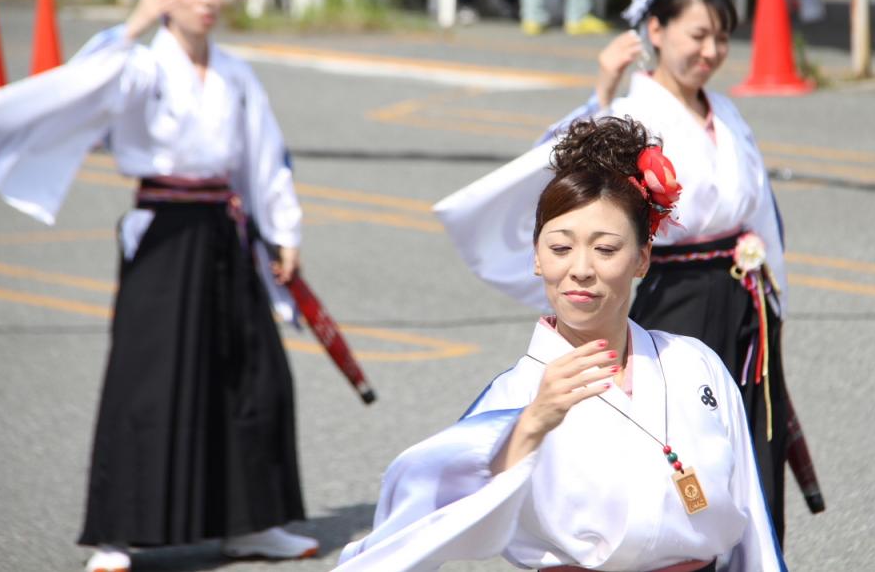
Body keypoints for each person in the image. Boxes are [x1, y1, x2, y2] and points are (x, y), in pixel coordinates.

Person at [433, 0, 824, 545]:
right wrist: (602, 94)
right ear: (656, 32)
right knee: (654, 433)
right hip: (673, 294)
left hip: (741, 297)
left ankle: (740, 546)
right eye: (698, 35)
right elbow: (570, 182)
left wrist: (775, 297)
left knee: (739, 439)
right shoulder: (633, 113)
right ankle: (649, 543)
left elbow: (762, 211)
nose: (711, 51)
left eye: (722, 38)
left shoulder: (728, 114)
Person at [0, 0, 317, 572]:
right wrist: (133, 25)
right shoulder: (140, 64)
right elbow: (85, 82)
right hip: (164, 232)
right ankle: (119, 533)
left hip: (224, 231)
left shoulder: (235, 72)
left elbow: (264, 158)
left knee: (255, 377)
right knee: (146, 383)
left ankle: (252, 523)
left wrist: (284, 233)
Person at [336, 117, 785, 571]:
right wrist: (532, 423)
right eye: (560, 248)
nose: (581, 269)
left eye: (606, 249)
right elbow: (424, 515)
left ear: (642, 259)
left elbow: (752, 528)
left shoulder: (694, 365)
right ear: (535, 256)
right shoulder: (516, 395)